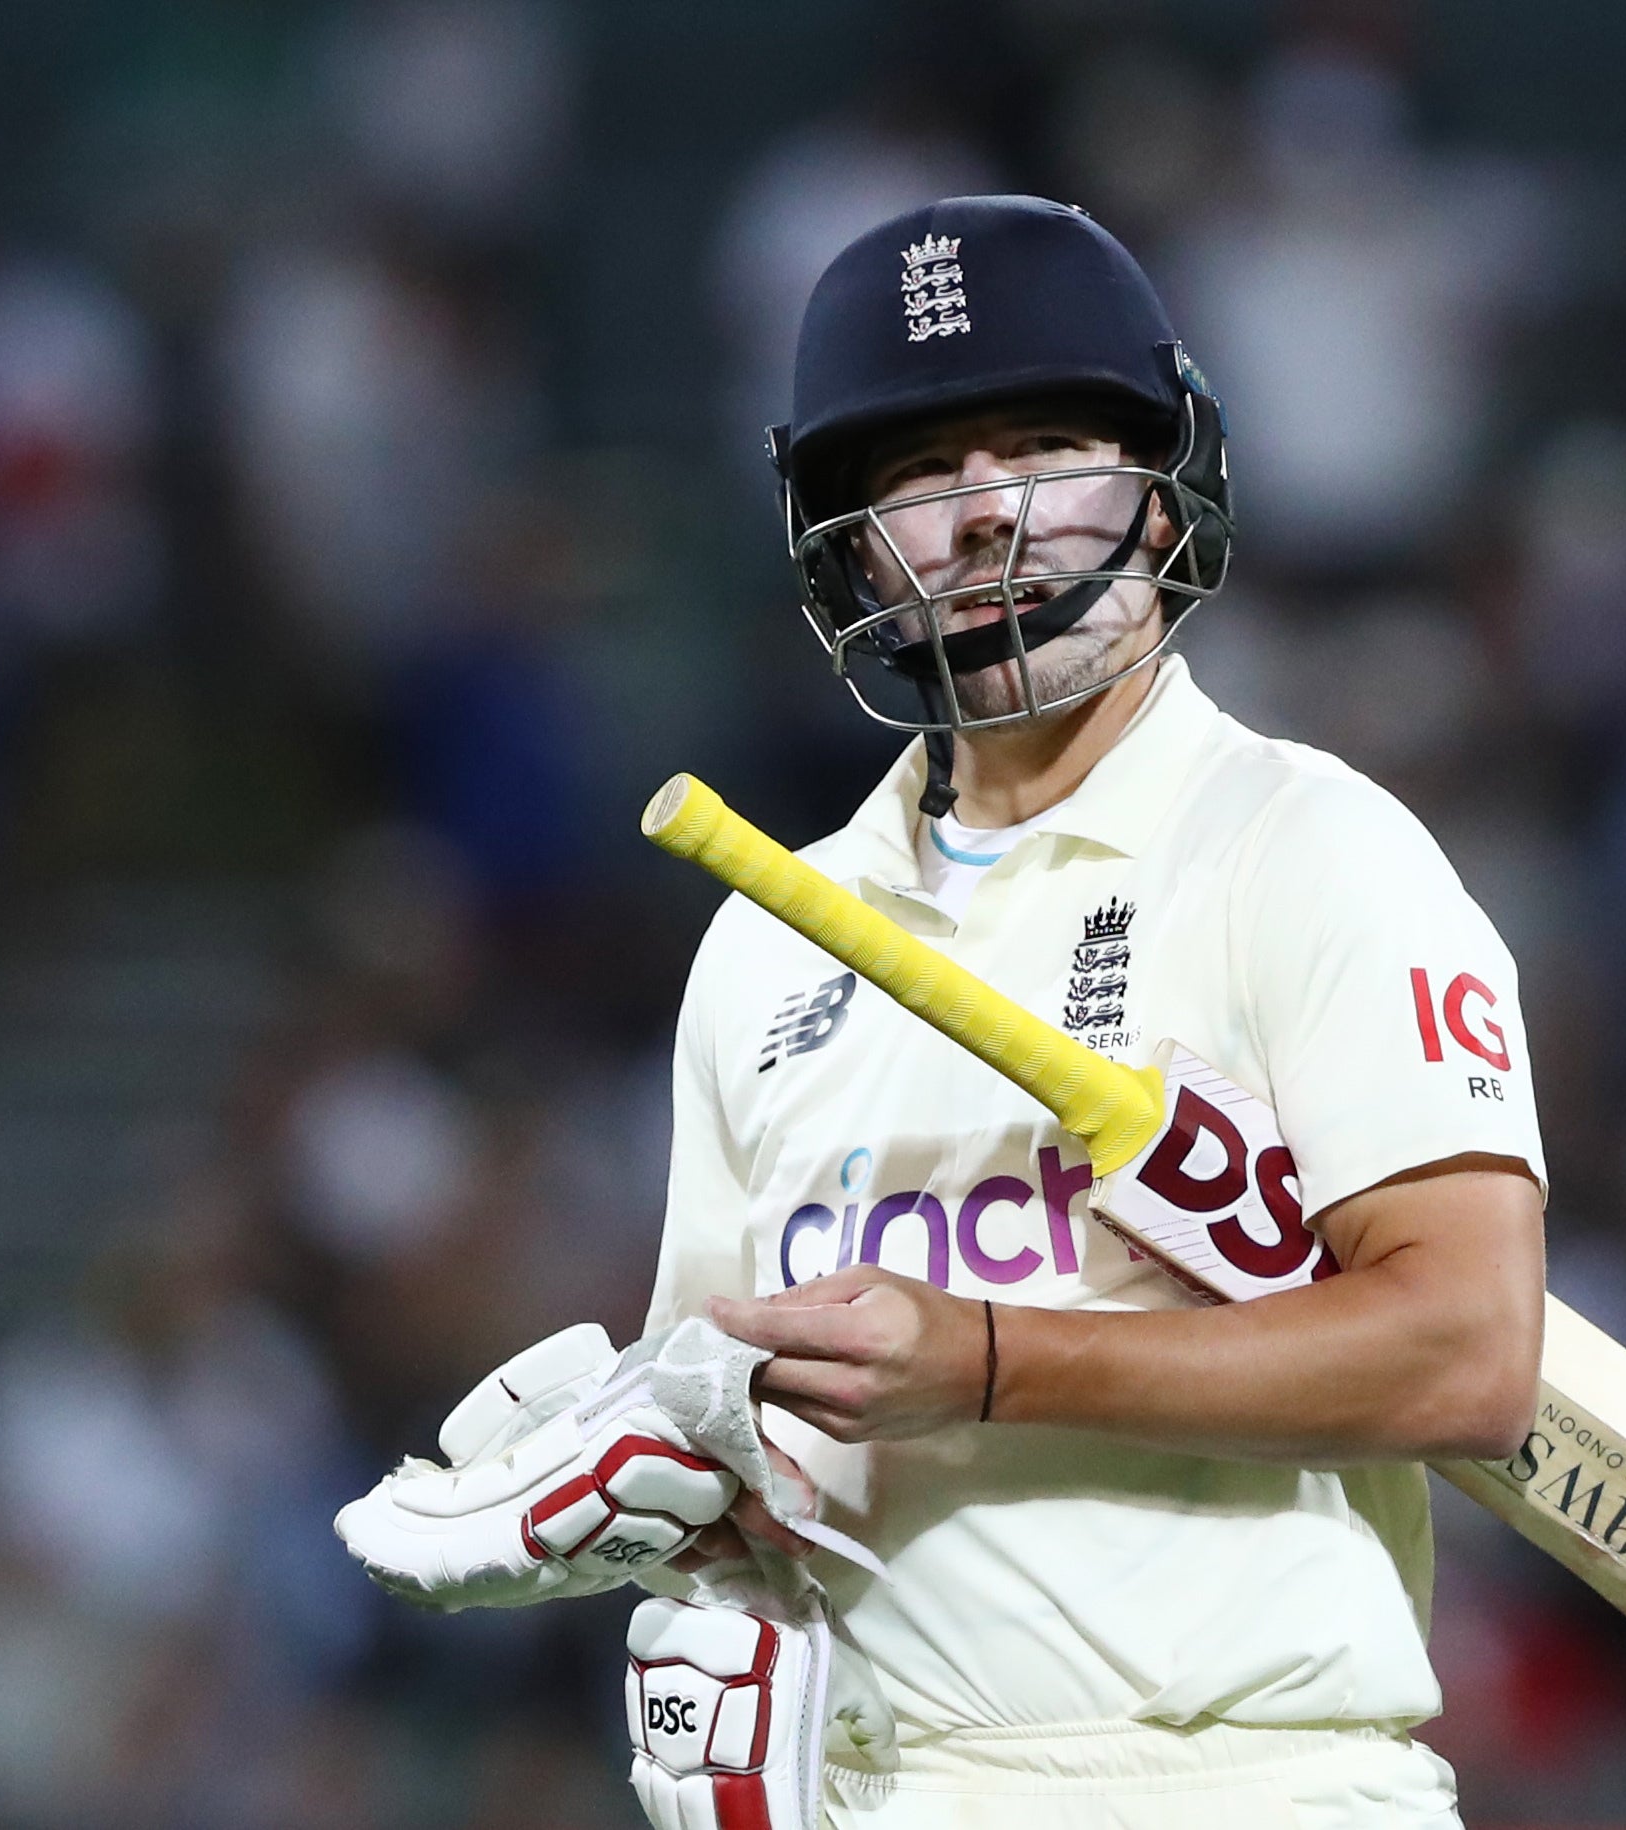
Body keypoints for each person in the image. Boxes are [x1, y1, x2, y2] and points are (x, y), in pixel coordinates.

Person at [651, 194, 1551, 1827]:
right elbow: (737, 1423)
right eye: (920, 472)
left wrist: (985, 1357)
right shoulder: (767, 944)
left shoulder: (1309, 848)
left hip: (1240, 1781)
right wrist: (590, 1486)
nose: (986, 513)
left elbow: (1470, 1352)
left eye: (1045, 443)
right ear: (848, 539)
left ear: (1158, 485)